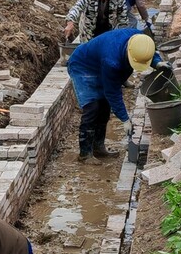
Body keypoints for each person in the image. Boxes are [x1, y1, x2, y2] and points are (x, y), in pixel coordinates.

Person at [67, 25, 157, 160]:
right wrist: (125, 119)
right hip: (83, 66)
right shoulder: (111, 61)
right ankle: (85, 154)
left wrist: (158, 63)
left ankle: (98, 147)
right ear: (129, 52)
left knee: (104, 108)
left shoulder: (140, 39)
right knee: (92, 107)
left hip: (100, 62)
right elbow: (112, 92)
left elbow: (149, 53)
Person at [63, 0, 131, 44]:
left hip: (108, 30)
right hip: (89, 32)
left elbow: (122, 17)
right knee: (88, 52)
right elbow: (78, 7)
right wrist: (70, 22)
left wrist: (123, 37)